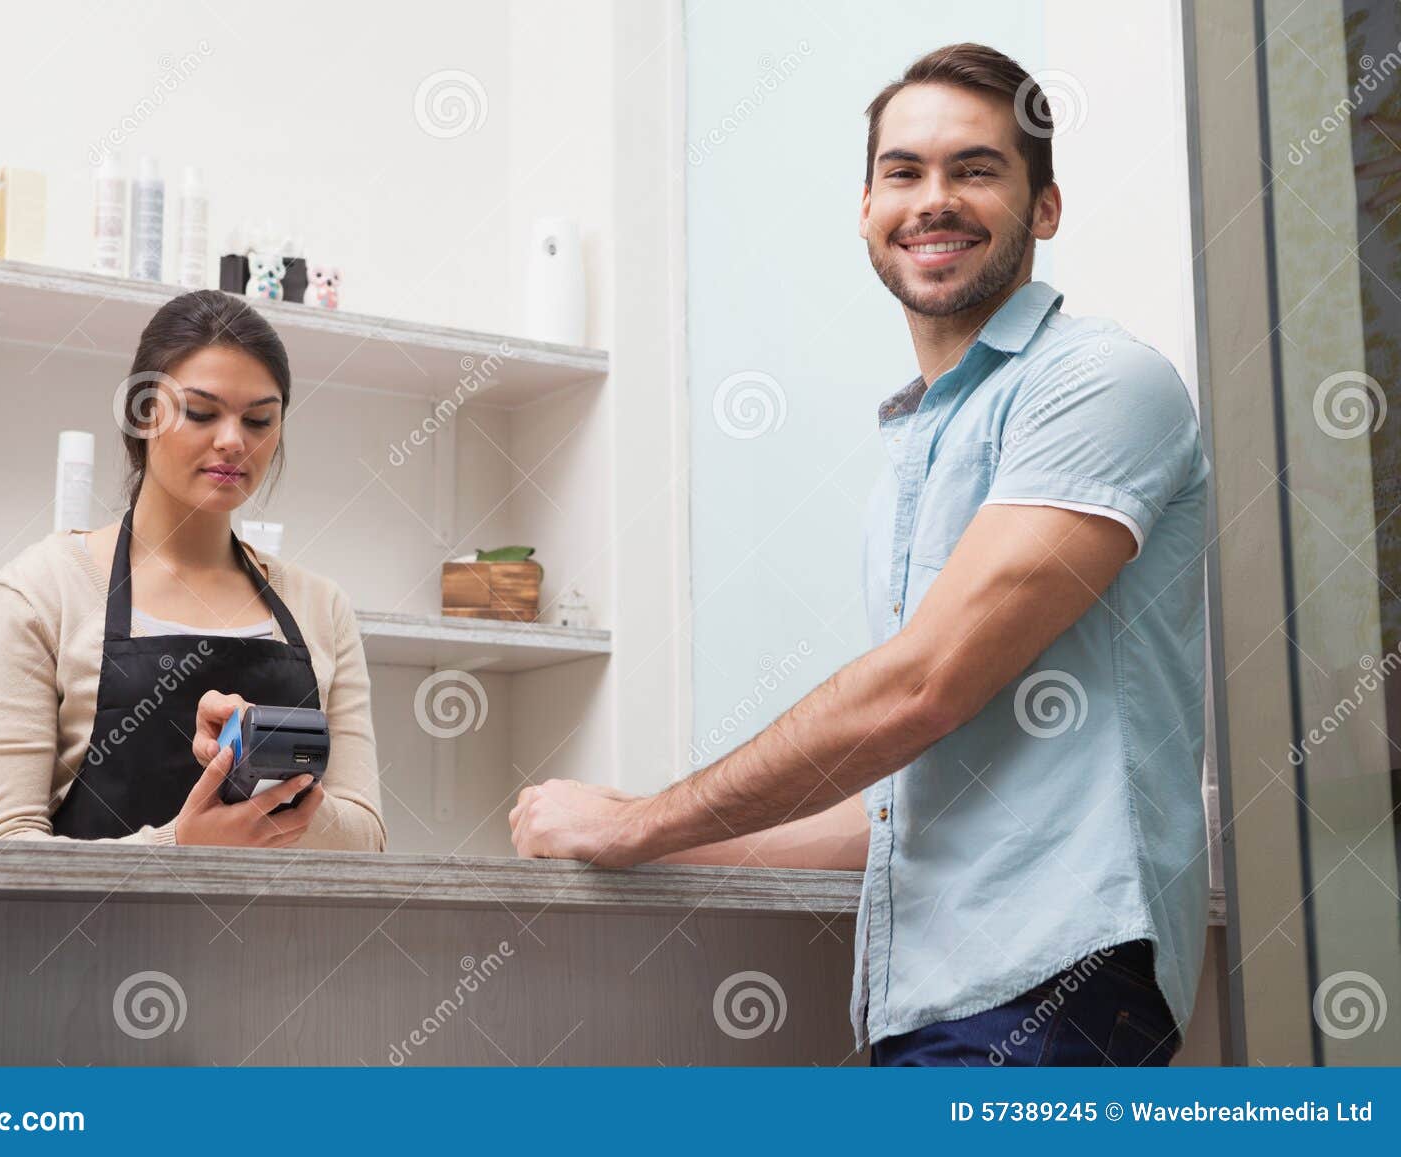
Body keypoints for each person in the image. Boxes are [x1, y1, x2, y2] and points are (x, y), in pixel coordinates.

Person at [510, 42, 1209, 1067]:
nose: (933, 199)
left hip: (1050, 993)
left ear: (1044, 208)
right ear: (866, 210)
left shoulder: (1099, 384)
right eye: (902, 172)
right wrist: (651, 826)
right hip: (930, 1005)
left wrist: (639, 824)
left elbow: (918, 688)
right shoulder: (917, 450)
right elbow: (904, 804)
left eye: (975, 168)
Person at [0, 290, 385, 850]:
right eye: (201, 412)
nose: (233, 441)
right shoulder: (38, 593)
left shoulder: (322, 607)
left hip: (285, 939)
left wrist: (272, 769)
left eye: (259, 419)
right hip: (92, 940)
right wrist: (181, 848)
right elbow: (3, 852)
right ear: (143, 414)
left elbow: (367, 843)